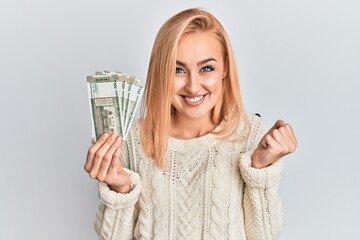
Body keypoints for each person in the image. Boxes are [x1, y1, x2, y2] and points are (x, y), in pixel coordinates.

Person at [84, 8, 297, 240]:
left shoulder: (252, 135)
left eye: (206, 68)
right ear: (161, 72)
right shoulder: (130, 141)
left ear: (224, 67)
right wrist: (120, 190)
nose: (193, 87)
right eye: (178, 70)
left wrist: (261, 170)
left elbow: (266, 235)